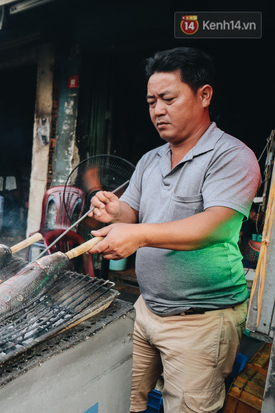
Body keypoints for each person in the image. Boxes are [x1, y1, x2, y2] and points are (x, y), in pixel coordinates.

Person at [87, 47, 261, 412]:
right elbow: (131, 213)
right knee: (124, 399)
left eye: (168, 98)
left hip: (200, 320)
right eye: (151, 101)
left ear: (204, 95)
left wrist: (138, 235)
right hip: (146, 308)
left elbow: (216, 225)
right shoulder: (151, 159)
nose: (157, 110)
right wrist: (112, 211)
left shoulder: (231, 156)